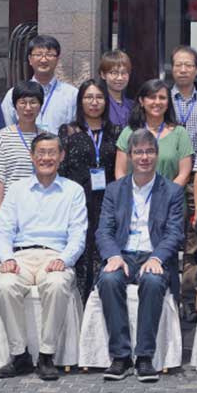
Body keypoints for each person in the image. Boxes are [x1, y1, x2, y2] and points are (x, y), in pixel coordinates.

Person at [0, 133, 89, 381]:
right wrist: (6, 258)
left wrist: (65, 259)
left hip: (55, 255)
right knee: (5, 284)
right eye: (41, 153)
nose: (46, 158)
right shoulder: (17, 189)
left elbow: (78, 234)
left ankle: (46, 354)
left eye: (52, 152)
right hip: (21, 256)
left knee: (57, 284)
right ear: (32, 157)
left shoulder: (73, 190)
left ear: (61, 156)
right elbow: (3, 231)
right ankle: (20, 354)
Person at [94, 129, 185, 383]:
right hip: (122, 254)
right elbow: (104, 230)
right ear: (130, 156)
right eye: (138, 152)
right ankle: (121, 357)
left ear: (156, 155)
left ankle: (144, 357)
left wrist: (157, 258)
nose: (144, 157)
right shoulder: (115, 190)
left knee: (153, 282)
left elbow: (175, 233)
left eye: (149, 151)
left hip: (153, 255)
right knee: (109, 280)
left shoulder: (172, 191)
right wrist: (112, 255)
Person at [59, 79, 121, 300]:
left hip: (108, 200)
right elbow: (62, 169)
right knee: (80, 249)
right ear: (80, 101)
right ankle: (78, 304)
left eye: (99, 97)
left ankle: (100, 302)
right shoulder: (68, 131)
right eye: (88, 97)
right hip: (77, 200)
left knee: (103, 248)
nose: (94, 103)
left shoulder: (116, 131)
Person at [117, 79, 193, 187]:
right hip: (135, 200)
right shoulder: (128, 132)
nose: (157, 102)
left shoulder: (180, 133)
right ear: (142, 101)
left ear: (168, 103)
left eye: (162, 98)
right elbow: (120, 172)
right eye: (152, 97)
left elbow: (184, 174)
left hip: (170, 200)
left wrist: (166, 196)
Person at [0, 80, 48, 218]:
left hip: (40, 208)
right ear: (15, 105)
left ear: (40, 106)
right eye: (23, 102)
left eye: (33, 102)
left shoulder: (47, 138)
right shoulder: (2, 136)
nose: (28, 108)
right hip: (9, 208)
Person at [0, 35, 78, 134]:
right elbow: (7, 129)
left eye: (49, 55)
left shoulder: (72, 95)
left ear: (57, 59)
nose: (43, 60)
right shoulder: (13, 94)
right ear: (30, 59)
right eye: (38, 54)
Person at [170, 45, 197, 152]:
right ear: (172, 69)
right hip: (168, 165)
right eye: (178, 65)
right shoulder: (163, 100)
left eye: (189, 65)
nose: (183, 70)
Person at [100, 49, 136, 129]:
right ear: (103, 75)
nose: (120, 78)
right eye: (114, 73)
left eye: (124, 73)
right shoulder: (98, 104)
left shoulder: (133, 106)